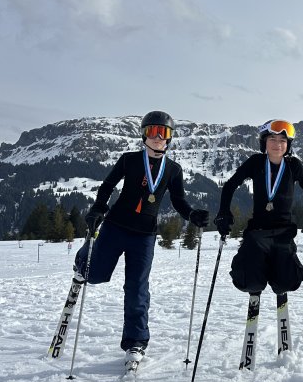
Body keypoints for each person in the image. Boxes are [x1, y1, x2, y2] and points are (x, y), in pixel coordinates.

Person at [74, 111, 210, 365]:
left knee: (137, 288)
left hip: (144, 235)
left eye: (164, 133)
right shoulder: (129, 160)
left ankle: (135, 342)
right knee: (95, 275)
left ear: (170, 138)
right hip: (115, 226)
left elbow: (179, 201)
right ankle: (83, 257)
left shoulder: (173, 169)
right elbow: (107, 186)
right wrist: (98, 209)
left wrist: (192, 215)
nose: (158, 137)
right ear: (144, 134)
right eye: (153, 131)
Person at [214, 119, 303, 297]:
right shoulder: (256, 162)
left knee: (288, 282)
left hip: (283, 232)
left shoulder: (293, 165)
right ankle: (258, 274)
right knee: (248, 281)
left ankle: (275, 271)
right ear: (264, 142)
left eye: (282, 141)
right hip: (257, 231)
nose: (277, 144)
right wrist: (223, 212)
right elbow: (230, 186)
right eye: (272, 139)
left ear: (288, 145)